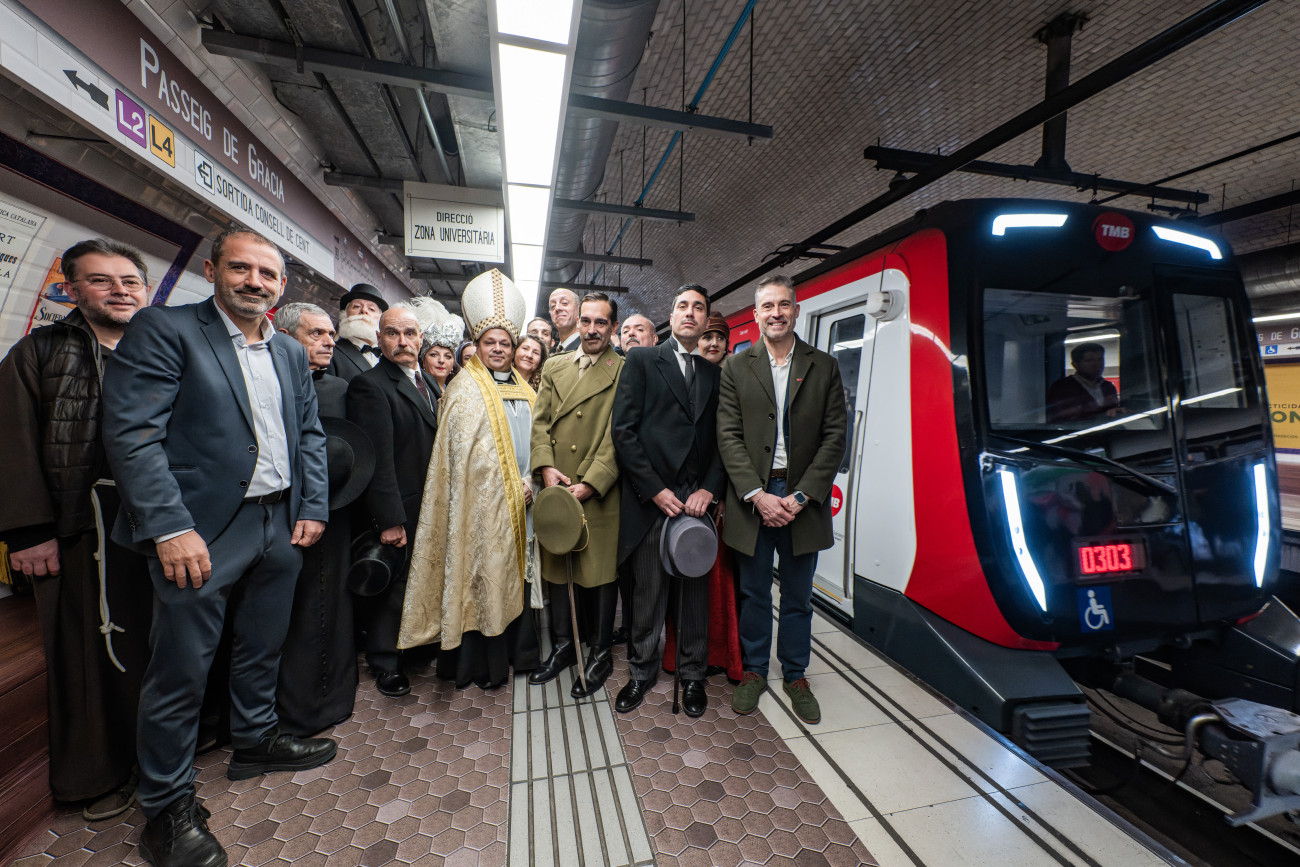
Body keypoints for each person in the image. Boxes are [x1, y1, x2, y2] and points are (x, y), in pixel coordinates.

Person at [102, 227, 335, 867]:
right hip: (200, 532)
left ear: (282, 286)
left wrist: (311, 504)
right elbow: (131, 436)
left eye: (267, 274)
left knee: (262, 645)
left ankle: (256, 739)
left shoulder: (289, 353)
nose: (254, 282)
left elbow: (309, 433)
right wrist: (169, 527)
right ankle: (167, 808)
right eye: (241, 269)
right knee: (180, 670)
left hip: (278, 524)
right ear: (213, 270)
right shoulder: (167, 331)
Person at [0, 239, 154, 822]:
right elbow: (11, 442)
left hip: (155, 525)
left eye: (129, 280)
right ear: (70, 289)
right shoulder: (39, 352)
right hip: (76, 527)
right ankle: (97, 774)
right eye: (100, 280)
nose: (118, 290)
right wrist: (28, 531)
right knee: (87, 659)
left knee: (151, 647)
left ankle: (158, 758)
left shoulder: (167, 349)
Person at [401, 269, 541, 689]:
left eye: (504, 343)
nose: (498, 349)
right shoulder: (463, 390)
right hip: (481, 507)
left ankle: (524, 652)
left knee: (526, 576)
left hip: (528, 501)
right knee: (483, 574)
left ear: (513, 347)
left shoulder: (529, 391)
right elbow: (461, 459)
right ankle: (485, 664)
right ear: (477, 347)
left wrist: (532, 479)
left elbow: (542, 441)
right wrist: (502, 486)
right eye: (490, 343)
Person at [717, 275, 847, 725]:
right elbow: (728, 435)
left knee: (797, 595)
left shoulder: (823, 366)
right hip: (754, 497)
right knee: (754, 593)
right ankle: (754, 671)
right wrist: (756, 494)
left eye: (783, 305)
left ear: (796, 310)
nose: (776, 313)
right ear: (755, 315)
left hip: (801, 501)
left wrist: (801, 495)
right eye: (767, 306)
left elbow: (834, 439)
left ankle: (795, 675)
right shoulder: (736, 367)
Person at [612, 284, 725, 718]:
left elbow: (720, 444)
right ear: (671, 317)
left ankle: (693, 675)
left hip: (695, 503)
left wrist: (708, 490)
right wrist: (655, 490)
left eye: (699, 307)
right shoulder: (643, 360)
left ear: (705, 319)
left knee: (694, 592)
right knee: (648, 592)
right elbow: (624, 431)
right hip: (652, 499)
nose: (690, 314)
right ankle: (641, 671)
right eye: (682, 306)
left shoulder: (715, 374)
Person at [272, 302, 364, 734]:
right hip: (274, 516)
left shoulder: (342, 390)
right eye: (316, 334)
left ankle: (326, 699)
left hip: (333, 515)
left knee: (326, 608)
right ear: (286, 336)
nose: (329, 342)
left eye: (331, 334)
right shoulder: (265, 385)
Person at [529, 293, 624, 697]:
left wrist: (592, 480)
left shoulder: (624, 369)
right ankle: (566, 646)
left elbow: (619, 433)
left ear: (612, 328)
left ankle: (600, 651)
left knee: (599, 575)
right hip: (557, 485)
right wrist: (546, 467)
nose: (591, 329)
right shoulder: (554, 366)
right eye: (586, 321)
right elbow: (542, 421)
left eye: (601, 323)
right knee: (557, 569)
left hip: (598, 490)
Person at [346, 305, 439, 697]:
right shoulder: (370, 385)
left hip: (429, 503)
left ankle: (415, 645)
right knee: (393, 586)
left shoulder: (429, 381)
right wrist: (387, 519)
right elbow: (376, 459)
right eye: (392, 333)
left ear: (421, 338)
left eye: (410, 333)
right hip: (400, 504)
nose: (403, 341)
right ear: (379, 337)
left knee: (421, 580)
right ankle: (385, 661)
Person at [664, 312, 743, 682]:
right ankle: (682, 652)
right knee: (683, 573)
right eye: (707, 337)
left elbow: (731, 445)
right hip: (681, 497)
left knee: (717, 581)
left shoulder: (732, 380)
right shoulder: (685, 374)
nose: (713, 344)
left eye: (720, 339)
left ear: (728, 344)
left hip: (720, 496)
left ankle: (717, 654)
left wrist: (722, 493)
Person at [1046, 341, 1119, 422]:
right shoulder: (1062, 387)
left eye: (1100, 359)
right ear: (1075, 364)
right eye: (1089, 360)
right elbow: (1065, 417)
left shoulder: (1108, 386)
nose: (1097, 364)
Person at [329, 283, 387, 382]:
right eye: (356, 306)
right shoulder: (331, 353)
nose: (364, 310)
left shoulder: (388, 356)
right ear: (345, 315)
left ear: (381, 319)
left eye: (371, 309)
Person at [549, 287, 580, 353]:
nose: (557, 308)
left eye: (564, 303)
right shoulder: (553, 356)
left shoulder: (590, 348)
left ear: (579, 309)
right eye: (553, 306)